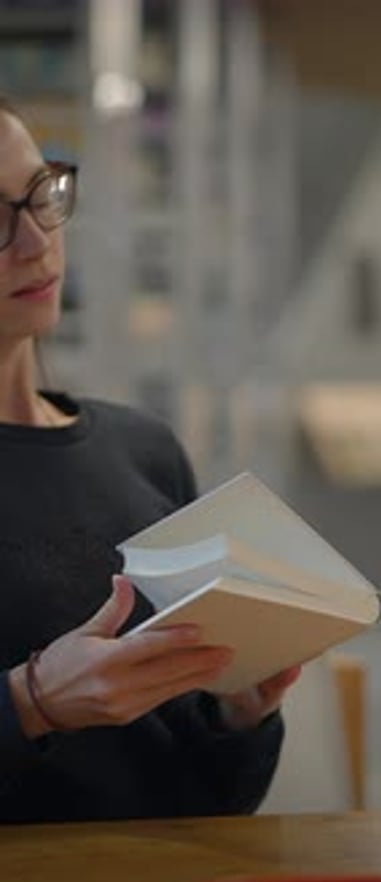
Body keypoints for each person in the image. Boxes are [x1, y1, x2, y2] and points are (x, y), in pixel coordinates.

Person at [0, 96, 300, 824]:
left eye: (42, 196)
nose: (37, 243)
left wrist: (236, 716)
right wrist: (30, 704)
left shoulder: (145, 450)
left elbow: (208, 804)